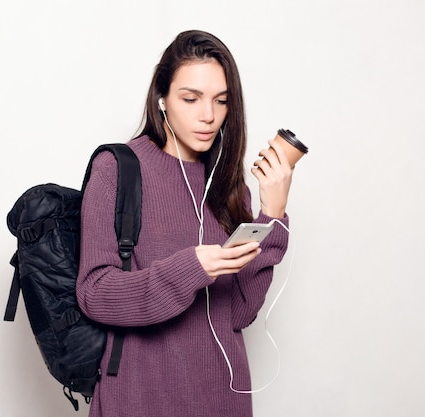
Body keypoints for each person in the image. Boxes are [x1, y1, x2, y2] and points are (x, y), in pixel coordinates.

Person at [76, 29, 293, 417]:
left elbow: (239, 314)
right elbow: (94, 294)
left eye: (221, 101)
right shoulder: (116, 170)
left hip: (222, 399)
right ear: (161, 98)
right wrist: (191, 268)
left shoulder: (229, 187)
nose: (207, 115)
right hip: (139, 398)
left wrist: (272, 217)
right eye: (190, 99)